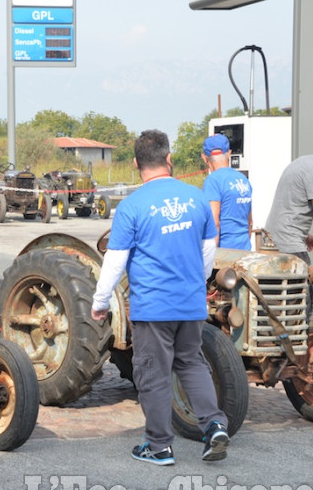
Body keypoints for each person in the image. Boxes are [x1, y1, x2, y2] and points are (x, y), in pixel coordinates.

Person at [90, 129, 229, 465]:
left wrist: (100, 301)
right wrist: (198, 281)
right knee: (192, 363)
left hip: (153, 307)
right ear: (169, 160)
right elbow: (208, 250)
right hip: (191, 303)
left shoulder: (132, 206)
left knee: (153, 372)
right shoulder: (196, 198)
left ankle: (158, 446)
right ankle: (213, 425)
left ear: (137, 163)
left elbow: (115, 259)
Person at [200, 133, 253, 250]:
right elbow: (250, 222)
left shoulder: (212, 181)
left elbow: (214, 223)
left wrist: (212, 257)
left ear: (204, 157)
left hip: (225, 252)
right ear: (229, 153)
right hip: (244, 250)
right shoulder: (243, 179)